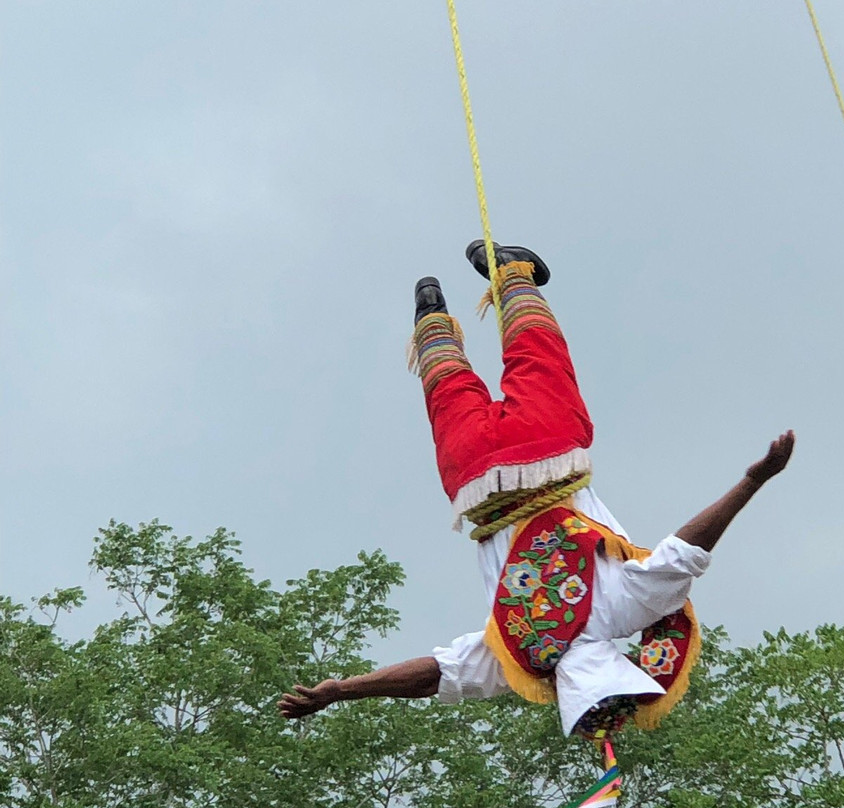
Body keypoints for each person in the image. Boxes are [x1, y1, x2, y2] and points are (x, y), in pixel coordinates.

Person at [279, 242, 795, 737]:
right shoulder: (517, 655)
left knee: (535, 357)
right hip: (478, 481)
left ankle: (508, 276)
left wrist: (754, 480)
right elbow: (437, 673)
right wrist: (343, 690)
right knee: (458, 386)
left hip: (541, 457)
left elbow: (687, 551)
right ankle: (436, 315)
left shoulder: (548, 644)